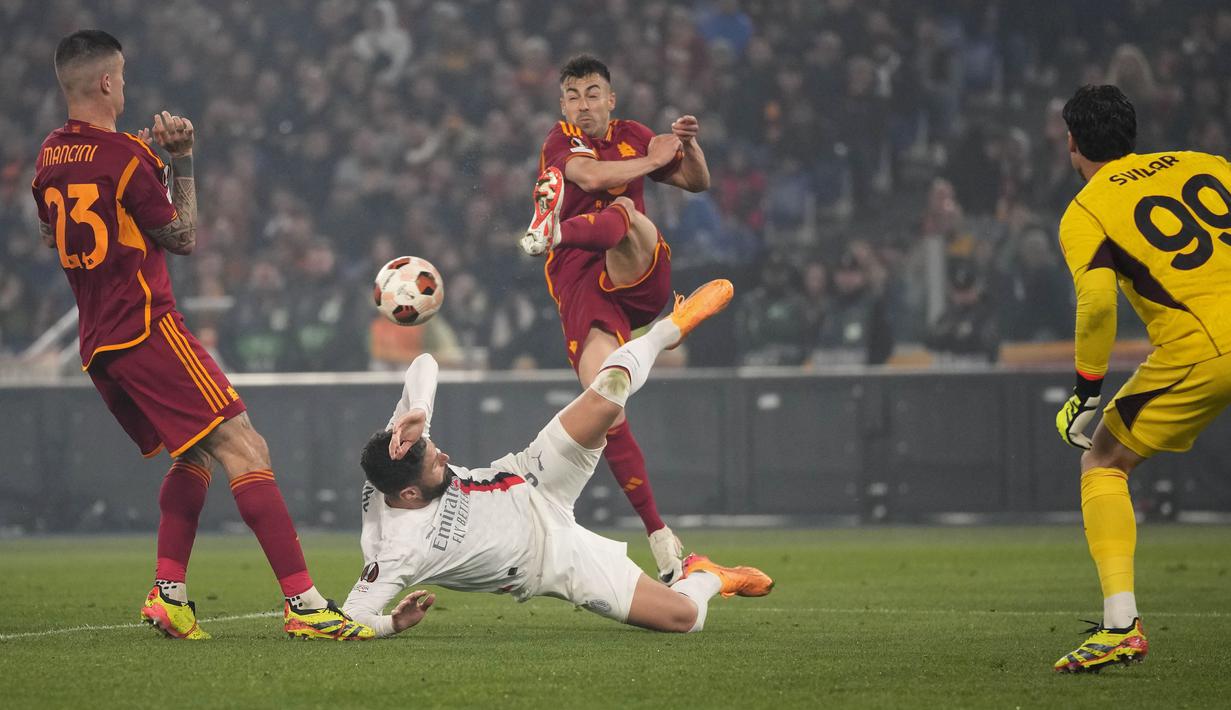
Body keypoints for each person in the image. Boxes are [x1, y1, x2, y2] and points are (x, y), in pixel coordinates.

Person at [30, 30, 371, 640]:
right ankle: (306, 605)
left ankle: (170, 593)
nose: (126, 86)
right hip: (145, 324)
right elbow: (184, 237)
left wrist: (139, 171)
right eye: (124, 77)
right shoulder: (126, 159)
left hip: (98, 339)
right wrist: (182, 160)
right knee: (247, 447)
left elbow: (51, 235)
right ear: (108, 81)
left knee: (193, 453)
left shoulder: (49, 158)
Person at [344, 280, 773, 636]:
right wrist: (391, 625)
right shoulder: (393, 548)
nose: (446, 457)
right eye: (438, 463)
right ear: (409, 492)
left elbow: (424, 362)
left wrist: (418, 407)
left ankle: (668, 328)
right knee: (686, 619)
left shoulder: (398, 448)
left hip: (531, 476)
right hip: (550, 560)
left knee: (607, 396)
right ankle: (707, 575)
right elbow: (351, 618)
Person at [1052, 84, 1231, 672]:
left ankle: (1120, 626)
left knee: (1102, 461)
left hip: (1205, 345)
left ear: (1072, 143)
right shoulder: (1208, 164)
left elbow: (1099, 307)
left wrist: (1086, 390)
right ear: (1133, 133)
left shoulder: (1086, 211)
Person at [518, 55, 712, 583]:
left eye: (593, 93)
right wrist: (653, 160)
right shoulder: (560, 143)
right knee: (607, 398)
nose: (583, 104)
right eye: (573, 95)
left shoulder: (634, 133)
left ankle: (552, 230)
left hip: (639, 274)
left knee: (629, 215)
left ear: (611, 99)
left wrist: (686, 146)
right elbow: (595, 174)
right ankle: (661, 538)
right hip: (581, 282)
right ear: (562, 104)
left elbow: (697, 182)